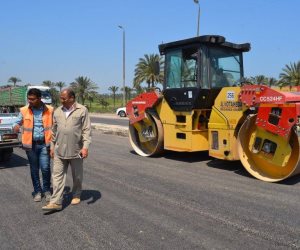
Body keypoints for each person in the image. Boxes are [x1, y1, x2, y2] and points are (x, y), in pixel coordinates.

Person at [42, 88, 91, 211]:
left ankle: (76, 194)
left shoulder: (82, 110)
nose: (61, 100)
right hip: (59, 150)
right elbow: (53, 131)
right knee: (57, 176)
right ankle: (56, 202)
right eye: (61, 98)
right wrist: (52, 147)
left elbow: (86, 130)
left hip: (76, 150)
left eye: (63, 98)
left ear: (72, 98)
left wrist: (85, 147)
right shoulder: (57, 111)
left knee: (77, 176)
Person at [13, 88, 53, 202]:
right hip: (31, 146)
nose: (29, 101)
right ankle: (37, 191)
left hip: (45, 144)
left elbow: (56, 125)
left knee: (45, 168)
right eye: (28, 99)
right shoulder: (24, 110)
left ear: (39, 99)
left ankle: (46, 190)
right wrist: (15, 126)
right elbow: (16, 122)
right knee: (34, 169)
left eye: (32, 99)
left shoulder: (50, 110)